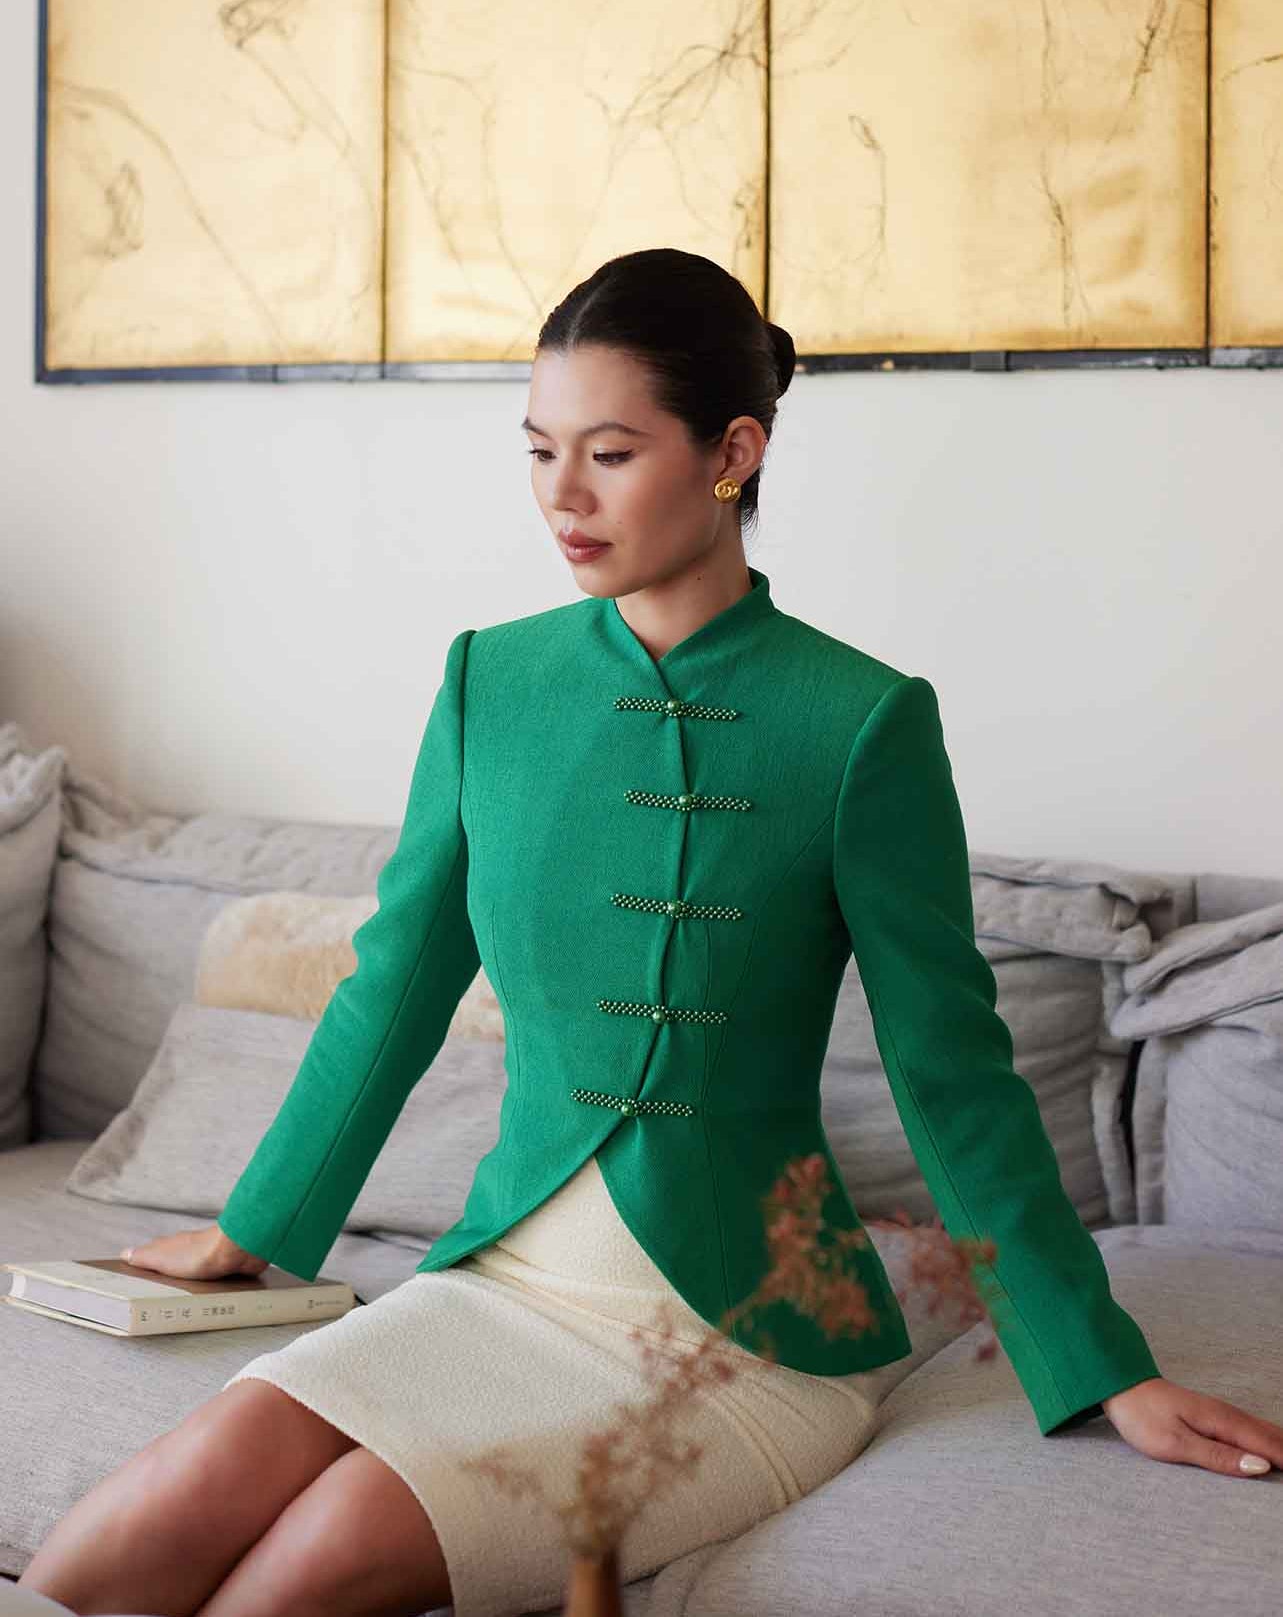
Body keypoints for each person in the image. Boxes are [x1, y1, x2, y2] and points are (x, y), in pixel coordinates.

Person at [20, 249, 1282, 1617]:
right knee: (140, 1523)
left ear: (732, 452)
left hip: (736, 1338)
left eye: (610, 453)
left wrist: (1099, 1364)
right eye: (540, 450)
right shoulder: (485, 684)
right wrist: (252, 1230)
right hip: (491, 1283)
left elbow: (953, 1074)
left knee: (309, 1566)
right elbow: (396, 983)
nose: (563, 495)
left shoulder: (860, 722)